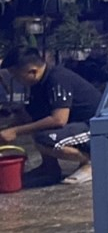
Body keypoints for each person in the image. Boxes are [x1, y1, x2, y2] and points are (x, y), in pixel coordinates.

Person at [0, 50, 102, 187]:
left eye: (17, 76)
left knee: (45, 139)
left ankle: (91, 162)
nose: (16, 80)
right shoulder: (37, 83)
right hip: (74, 126)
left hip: (93, 126)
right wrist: (9, 128)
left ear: (32, 71)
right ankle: (50, 168)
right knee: (36, 127)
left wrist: (15, 131)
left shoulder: (58, 79)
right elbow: (31, 117)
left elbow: (59, 120)